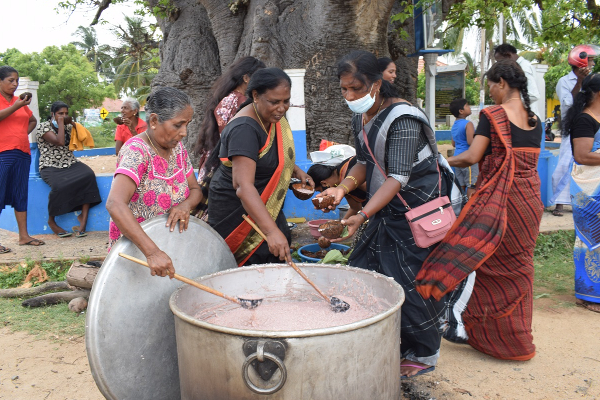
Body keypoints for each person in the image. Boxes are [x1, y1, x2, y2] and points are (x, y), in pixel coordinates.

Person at [317, 50, 459, 378]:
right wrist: (342, 188)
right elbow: (364, 163)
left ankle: (423, 355)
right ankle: (383, 343)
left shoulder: (403, 118)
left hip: (416, 211)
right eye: (344, 89)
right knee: (365, 273)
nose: (350, 96)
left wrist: (362, 214)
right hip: (385, 211)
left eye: (356, 88)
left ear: (376, 85)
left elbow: (397, 176)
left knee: (413, 286)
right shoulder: (361, 116)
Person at [416, 60, 544, 361]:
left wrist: (439, 161)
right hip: (530, 200)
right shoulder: (535, 119)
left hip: (503, 201)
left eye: (490, 85)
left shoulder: (493, 115)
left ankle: (489, 336)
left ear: (501, 82)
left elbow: (473, 156)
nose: (490, 92)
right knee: (520, 267)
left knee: (486, 263)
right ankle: (518, 340)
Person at [206, 68, 313, 266]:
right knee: (250, 272)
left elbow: (269, 156)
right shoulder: (244, 129)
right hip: (238, 214)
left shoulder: (272, 118)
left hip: (265, 207)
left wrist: (295, 170)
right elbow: (243, 186)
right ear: (256, 95)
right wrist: (271, 231)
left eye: (286, 101)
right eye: (274, 102)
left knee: (276, 259)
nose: (281, 108)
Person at [106, 87, 202, 278]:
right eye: (178, 125)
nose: (184, 132)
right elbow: (115, 203)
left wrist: (186, 205)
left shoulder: (178, 149)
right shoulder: (136, 152)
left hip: (169, 248)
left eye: (187, 124)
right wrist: (152, 252)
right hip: (138, 253)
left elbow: (195, 189)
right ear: (155, 121)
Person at [562, 73, 600, 313]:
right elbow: (582, 155)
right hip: (589, 190)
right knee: (590, 241)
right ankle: (587, 296)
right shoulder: (585, 120)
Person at [37, 101, 101, 237]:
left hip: (70, 162)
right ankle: (51, 221)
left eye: (66, 113)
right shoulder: (43, 127)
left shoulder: (68, 127)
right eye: (60, 113)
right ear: (52, 114)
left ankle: (82, 220)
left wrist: (72, 124)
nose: (63, 116)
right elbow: (59, 141)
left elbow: (84, 136)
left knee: (88, 175)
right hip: (50, 165)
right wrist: (61, 123)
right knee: (58, 186)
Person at [194, 56, 266, 178]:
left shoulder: (227, 99)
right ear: (246, 78)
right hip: (228, 167)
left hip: (215, 163)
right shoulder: (242, 103)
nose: (262, 83)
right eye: (259, 78)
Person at [550, 44, 598, 216]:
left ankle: (583, 201)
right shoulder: (565, 81)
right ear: (581, 62)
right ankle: (559, 203)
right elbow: (569, 103)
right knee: (564, 165)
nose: (592, 64)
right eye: (590, 61)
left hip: (589, 126)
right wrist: (579, 82)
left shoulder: (593, 80)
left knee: (586, 166)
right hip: (572, 127)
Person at [0, 65, 43, 251]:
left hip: (22, 153)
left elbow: (32, 120)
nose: (15, 84)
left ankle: (24, 236)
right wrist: (16, 106)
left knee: (20, 194)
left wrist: (20, 133)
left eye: (16, 80)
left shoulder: (19, 102)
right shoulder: (15, 103)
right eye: (11, 80)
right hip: (2, 153)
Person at [307, 155, 366, 219]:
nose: (323, 194)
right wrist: (341, 225)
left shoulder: (350, 177)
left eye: (320, 191)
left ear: (324, 183)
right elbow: (355, 208)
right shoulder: (342, 185)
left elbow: (375, 193)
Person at [494, 44, 540, 110]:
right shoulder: (517, 67)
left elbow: (533, 95)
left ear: (508, 56)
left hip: (528, 116)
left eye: (500, 61)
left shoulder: (524, 67)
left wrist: (509, 103)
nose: (500, 65)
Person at [449, 98, 478, 197]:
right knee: (471, 184)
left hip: (457, 158)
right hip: (467, 159)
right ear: (461, 111)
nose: (469, 107)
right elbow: (471, 142)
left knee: (460, 185)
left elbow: (454, 143)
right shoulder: (468, 124)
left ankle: (459, 206)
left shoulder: (455, 125)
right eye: (467, 106)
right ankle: (469, 207)